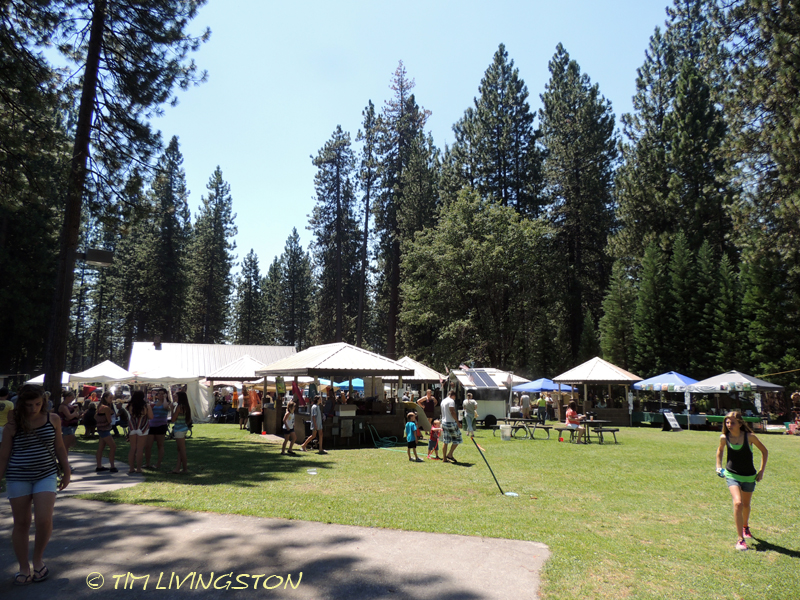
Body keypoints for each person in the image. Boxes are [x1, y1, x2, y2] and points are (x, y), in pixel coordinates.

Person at [0, 384, 70, 585]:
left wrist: (67, 471)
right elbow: (3, 456)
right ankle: (23, 566)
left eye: (38, 404)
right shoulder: (12, 426)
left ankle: (38, 560)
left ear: (44, 402)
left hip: (46, 474)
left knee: (43, 519)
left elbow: (59, 446)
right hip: (18, 475)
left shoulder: (53, 419)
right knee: (21, 523)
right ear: (21, 403)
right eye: (29, 405)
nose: (33, 408)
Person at [715, 411, 769, 551]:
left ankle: (745, 527)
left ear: (740, 423)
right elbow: (720, 450)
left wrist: (761, 471)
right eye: (727, 422)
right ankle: (740, 539)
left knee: (746, 504)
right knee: (738, 503)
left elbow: (764, 451)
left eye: (732, 422)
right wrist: (718, 466)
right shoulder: (724, 437)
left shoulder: (750, 437)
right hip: (732, 475)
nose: (729, 425)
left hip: (749, 476)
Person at [144, 387, 171, 470]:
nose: (161, 395)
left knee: (160, 445)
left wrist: (165, 398)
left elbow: (166, 407)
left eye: (163, 394)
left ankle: (158, 464)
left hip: (161, 426)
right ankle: (147, 463)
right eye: (159, 394)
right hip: (152, 426)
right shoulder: (154, 404)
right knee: (148, 446)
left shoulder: (167, 403)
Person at [126, 391, 152, 474]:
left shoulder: (130, 405)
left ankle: (131, 468)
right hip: (143, 427)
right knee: (140, 449)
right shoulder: (146, 406)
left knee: (133, 448)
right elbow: (151, 417)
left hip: (132, 426)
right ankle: (138, 468)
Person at [94, 392, 118, 473]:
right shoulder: (106, 408)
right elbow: (109, 420)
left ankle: (99, 466)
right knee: (113, 447)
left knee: (100, 448)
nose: (111, 400)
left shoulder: (99, 406)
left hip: (100, 429)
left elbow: (95, 416)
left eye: (112, 398)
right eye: (110, 398)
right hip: (105, 429)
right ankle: (112, 466)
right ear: (105, 398)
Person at [171, 391, 192, 474]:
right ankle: (178, 468)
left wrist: (172, 409)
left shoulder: (179, 407)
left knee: (182, 450)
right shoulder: (186, 406)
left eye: (176, 396)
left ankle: (185, 468)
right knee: (180, 449)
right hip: (184, 428)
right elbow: (188, 419)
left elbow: (173, 419)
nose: (174, 398)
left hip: (179, 429)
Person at [440, 390, 462, 463]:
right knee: (458, 439)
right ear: (453, 395)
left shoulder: (443, 401)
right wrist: (458, 422)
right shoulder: (451, 401)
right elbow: (452, 411)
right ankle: (450, 454)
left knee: (445, 441)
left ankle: (444, 458)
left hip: (444, 422)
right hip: (450, 422)